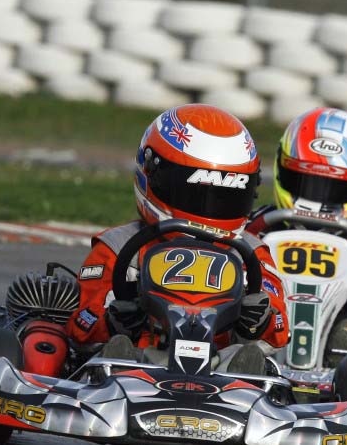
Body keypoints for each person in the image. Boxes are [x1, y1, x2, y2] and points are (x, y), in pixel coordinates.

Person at [65, 104, 289, 374]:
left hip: (221, 374)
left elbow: (278, 330)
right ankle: (116, 369)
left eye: (223, 197)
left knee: (247, 356)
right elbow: (82, 326)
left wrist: (259, 320)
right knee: (116, 353)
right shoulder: (120, 246)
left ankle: (246, 387)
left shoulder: (251, 253)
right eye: (196, 195)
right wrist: (114, 322)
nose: (208, 209)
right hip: (139, 367)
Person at [246, 107, 347, 359]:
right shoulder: (254, 225)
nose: (319, 200)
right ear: (282, 169)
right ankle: (249, 361)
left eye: (337, 189)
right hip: (264, 340)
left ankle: (345, 361)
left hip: (337, 366)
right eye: (304, 183)